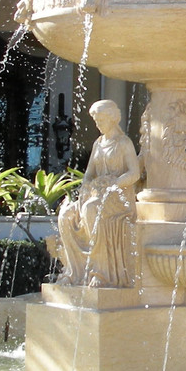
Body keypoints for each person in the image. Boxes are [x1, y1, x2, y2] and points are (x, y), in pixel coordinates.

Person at [57, 100, 140, 287]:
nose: (98, 124)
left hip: (119, 198)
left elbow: (134, 173)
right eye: (96, 120)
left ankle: (100, 272)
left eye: (101, 120)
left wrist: (113, 184)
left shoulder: (124, 143)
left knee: (90, 209)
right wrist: (86, 187)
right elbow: (89, 174)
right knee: (66, 214)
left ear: (112, 119)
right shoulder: (98, 143)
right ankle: (74, 271)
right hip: (97, 194)